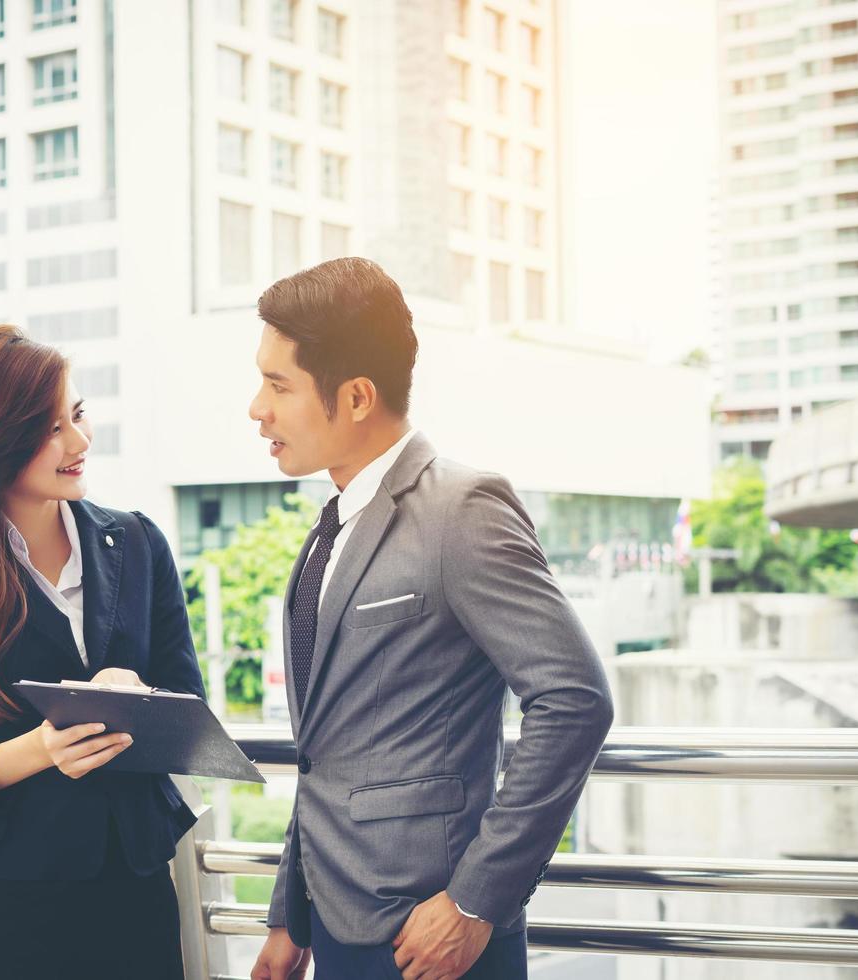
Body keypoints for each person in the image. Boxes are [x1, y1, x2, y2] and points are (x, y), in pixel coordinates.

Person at [246, 258, 615, 980]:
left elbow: (573, 700)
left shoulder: (461, 510)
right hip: (336, 925)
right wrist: (292, 912)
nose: (256, 408)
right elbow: (327, 747)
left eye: (277, 384)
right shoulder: (330, 528)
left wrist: (475, 903)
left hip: (431, 939)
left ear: (355, 397)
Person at [0, 324, 206, 979]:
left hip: (132, 889)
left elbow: (192, 713)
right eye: (50, 427)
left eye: (78, 415)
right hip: (4, 908)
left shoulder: (139, 543)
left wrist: (139, 696)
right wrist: (41, 749)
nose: (79, 442)